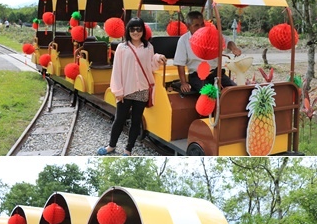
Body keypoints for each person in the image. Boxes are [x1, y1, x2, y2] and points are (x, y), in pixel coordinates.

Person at [97, 17, 165, 156]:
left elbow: (151, 65)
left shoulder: (148, 47)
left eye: (138, 29)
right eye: (132, 29)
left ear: (143, 30)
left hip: (142, 89)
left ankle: (128, 150)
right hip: (126, 90)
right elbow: (117, 70)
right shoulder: (122, 47)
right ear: (128, 31)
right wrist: (118, 91)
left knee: (136, 121)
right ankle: (111, 146)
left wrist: (158, 57)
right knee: (119, 119)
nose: (135, 32)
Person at [174, 11, 242, 93]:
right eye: (196, 25)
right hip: (197, 76)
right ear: (188, 26)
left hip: (216, 73)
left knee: (234, 91)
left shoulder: (211, 34)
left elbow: (227, 41)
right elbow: (180, 64)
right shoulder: (183, 40)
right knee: (210, 94)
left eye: (202, 24)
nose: (200, 28)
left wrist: (234, 48)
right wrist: (183, 83)